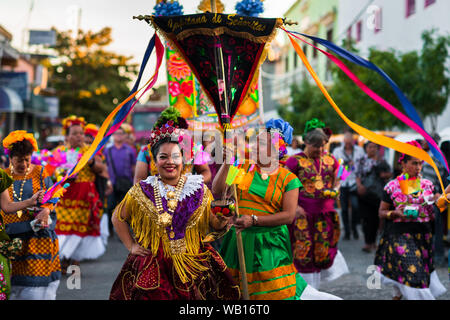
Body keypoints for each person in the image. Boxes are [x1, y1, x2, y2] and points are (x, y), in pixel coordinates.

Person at [109, 117, 240, 300]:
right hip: (152, 267)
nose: (170, 162)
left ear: (183, 159)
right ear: (154, 161)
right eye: (163, 157)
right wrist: (131, 246)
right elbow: (117, 216)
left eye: (175, 156)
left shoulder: (199, 189)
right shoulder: (141, 190)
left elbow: (215, 225)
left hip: (193, 267)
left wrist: (223, 219)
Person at [214, 119, 342, 300]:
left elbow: (289, 216)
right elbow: (218, 190)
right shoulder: (243, 167)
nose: (255, 146)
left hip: (269, 245)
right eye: (256, 141)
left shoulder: (288, 179)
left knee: (272, 293)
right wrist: (226, 164)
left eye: (262, 143)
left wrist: (253, 220)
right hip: (238, 241)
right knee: (235, 293)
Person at [375, 141, 447, 300]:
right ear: (403, 164)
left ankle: (397, 296)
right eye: (414, 163)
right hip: (399, 236)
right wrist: (394, 213)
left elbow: (439, 205)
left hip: (423, 237)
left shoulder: (428, 185)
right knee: (414, 274)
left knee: (408, 276)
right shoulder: (392, 186)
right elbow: (381, 212)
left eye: (420, 163)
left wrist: (443, 200)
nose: (418, 167)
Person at [285, 119, 349, 290]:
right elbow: (283, 185)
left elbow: (340, 176)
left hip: (325, 213)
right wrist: (294, 207)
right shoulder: (294, 161)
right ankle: (305, 291)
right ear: (306, 142)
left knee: (322, 251)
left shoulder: (331, 159)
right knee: (303, 252)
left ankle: (316, 289)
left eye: (322, 146)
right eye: (316, 146)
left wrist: (337, 186)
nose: (320, 150)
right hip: (303, 215)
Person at [1, 131, 60, 300]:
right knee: (14, 286)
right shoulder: (4, 176)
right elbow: (5, 207)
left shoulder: (41, 173)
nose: (24, 164)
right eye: (19, 160)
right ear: (10, 158)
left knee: (36, 286)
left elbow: (53, 198)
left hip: (38, 238)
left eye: (27, 159)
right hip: (12, 240)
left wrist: (47, 210)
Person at [54, 116, 107, 273]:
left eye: (81, 133)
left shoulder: (90, 150)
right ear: (67, 136)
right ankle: (63, 258)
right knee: (63, 228)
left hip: (85, 196)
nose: (79, 136)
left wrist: (90, 162)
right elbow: (50, 170)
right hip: (65, 196)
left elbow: (101, 168)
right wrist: (60, 171)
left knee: (81, 229)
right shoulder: (59, 151)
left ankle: (74, 260)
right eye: (75, 133)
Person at [134, 107, 211, 185]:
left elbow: (205, 172)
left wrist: (190, 183)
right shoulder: (147, 150)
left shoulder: (194, 148)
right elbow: (138, 179)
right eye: (163, 156)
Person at [355, 141, 391, 253]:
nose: (372, 149)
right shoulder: (361, 160)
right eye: (370, 147)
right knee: (365, 218)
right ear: (366, 148)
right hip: (364, 193)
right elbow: (357, 174)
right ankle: (367, 242)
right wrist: (359, 186)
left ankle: (374, 242)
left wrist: (384, 175)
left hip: (378, 194)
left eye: (375, 147)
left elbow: (390, 173)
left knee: (375, 218)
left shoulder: (382, 161)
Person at [418, 137, 449, 268]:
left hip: (432, 199)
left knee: (432, 227)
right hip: (433, 199)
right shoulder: (436, 161)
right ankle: (437, 256)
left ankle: (431, 255)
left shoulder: (433, 160)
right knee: (436, 227)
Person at [333, 130, 365, 240]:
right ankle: (347, 231)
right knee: (344, 209)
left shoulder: (359, 150)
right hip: (342, 183)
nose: (347, 145)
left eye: (349, 142)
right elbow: (335, 167)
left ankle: (354, 228)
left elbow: (362, 166)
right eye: (345, 142)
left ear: (353, 141)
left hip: (354, 182)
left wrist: (360, 181)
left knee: (356, 207)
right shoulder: (337, 151)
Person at [105, 125, 137, 235]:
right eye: (116, 133)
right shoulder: (108, 150)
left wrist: (135, 182)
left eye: (121, 134)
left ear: (124, 136)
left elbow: (134, 166)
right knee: (110, 206)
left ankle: (125, 231)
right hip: (112, 184)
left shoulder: (130, 150)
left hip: (126, 182)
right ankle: (110, 230)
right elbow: (105, 166)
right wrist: (107, 181)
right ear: (113, 136)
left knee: (126, 208)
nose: (119, 136)